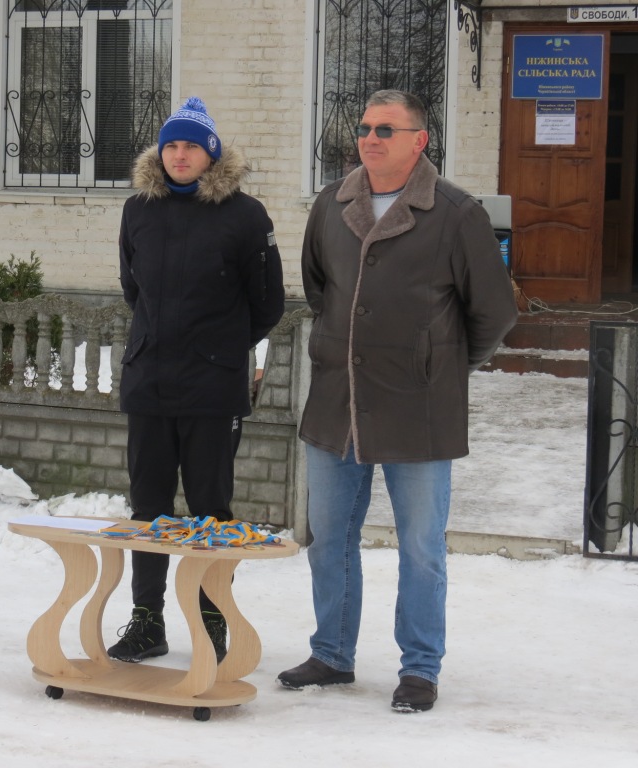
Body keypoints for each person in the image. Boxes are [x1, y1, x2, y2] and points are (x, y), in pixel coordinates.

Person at [277, 90, 517, 711]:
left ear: (420, 139)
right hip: (338, 403)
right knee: (329, 539)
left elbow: (492, 312)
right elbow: (319, 287)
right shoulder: (331, 204)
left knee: (420, 545)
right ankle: (331, 653)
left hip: (420, 407)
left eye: (387, 128)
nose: (371, 137)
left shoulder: (456, 213)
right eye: (363, 127)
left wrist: (438, 364)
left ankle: (420, 668)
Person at [110, 97, 285, 664]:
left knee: (211, 510)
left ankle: (214, 624)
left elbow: (267, 305)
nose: (179, 155)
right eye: (171, 145)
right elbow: (134, 289)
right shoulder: (138, 209)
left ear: (211, 155)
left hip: (213, 388)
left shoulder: (245, 215)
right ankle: (146, 622)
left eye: (191, 146)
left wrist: (220, 348)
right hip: (150, 382)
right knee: (148, 510)